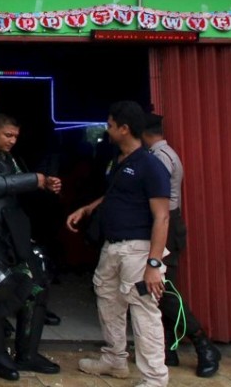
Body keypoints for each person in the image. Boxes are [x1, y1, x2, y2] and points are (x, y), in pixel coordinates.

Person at [67, 101, 170, 387]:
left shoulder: (151, 165)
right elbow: (116, 195)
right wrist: (87, 208)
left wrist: (153, 263)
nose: (108, 130)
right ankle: (115, 359)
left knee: (143, 310)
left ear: (125, 129)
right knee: (108, 302)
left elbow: (162, 217)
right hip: (112, 247)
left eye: (111, 125)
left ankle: (154, 378)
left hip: (138, 250)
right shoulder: (119, 160)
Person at [0, 113, 62, 380]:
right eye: (8, 135)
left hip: (14, 235)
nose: (12, 140)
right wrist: (35, 180)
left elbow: (20, 184)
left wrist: (45, 184)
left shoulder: (9, 159)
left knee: (37, 288)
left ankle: (27, 354)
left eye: (16, 136)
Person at [142, 113, 220, 378]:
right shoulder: (166, 154)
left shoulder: (160, 158)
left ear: (142, 132)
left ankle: (203, 344)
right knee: (158, 292)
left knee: (165, 291)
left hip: (166, 227)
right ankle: (168, 349)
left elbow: (159, 205)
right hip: (166, 225)